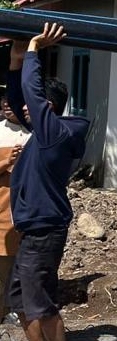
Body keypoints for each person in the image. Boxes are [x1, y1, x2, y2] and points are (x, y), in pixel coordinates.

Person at [5, 24, 88, 341]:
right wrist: (16, 60)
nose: (23, 109)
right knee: (21, 299)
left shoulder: (55, 134)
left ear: (48, 107)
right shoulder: (45, 132)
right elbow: (18, 97)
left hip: (44, 229)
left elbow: (29, 93)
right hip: (33, 228)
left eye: (33, 105)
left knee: (42, 303)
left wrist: (34, 49)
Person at [0, 91, 30, 322]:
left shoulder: (33, 136)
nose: (7, 103)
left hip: (18, 220)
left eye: (14, 99)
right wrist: (6, 161)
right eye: (4, 99)